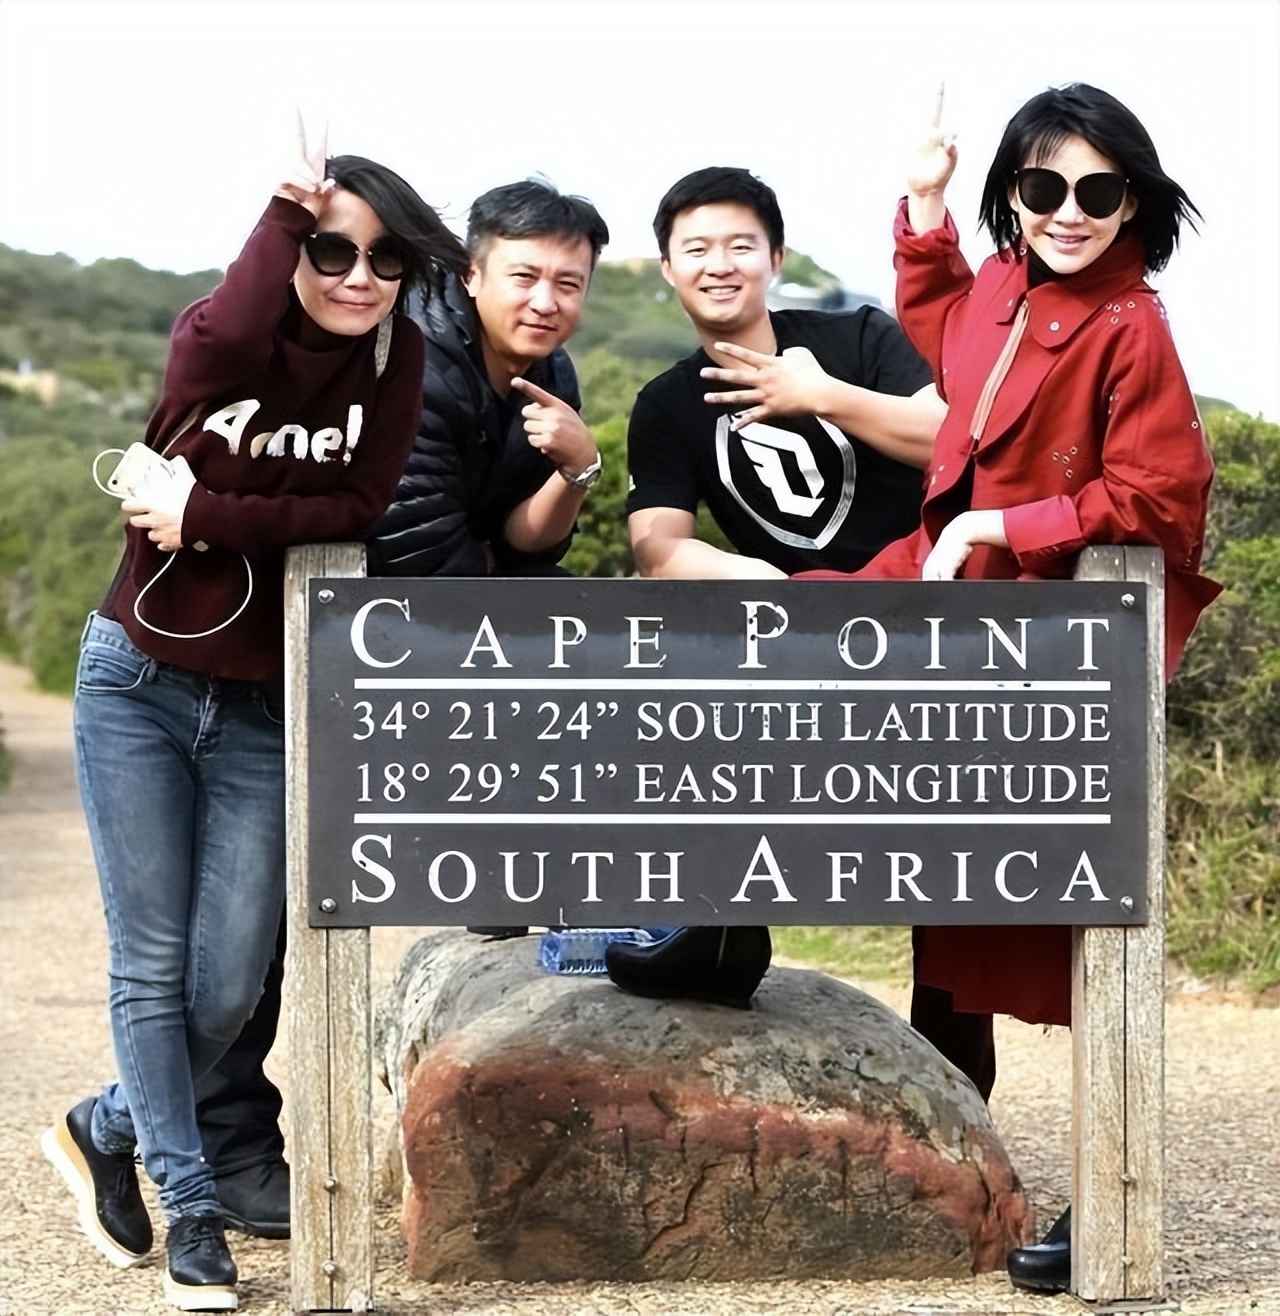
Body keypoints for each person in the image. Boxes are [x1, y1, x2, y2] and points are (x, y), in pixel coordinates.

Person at [795, 83, 1219, 1293]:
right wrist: (923, 209)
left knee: (1063, 913)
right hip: (945, 604)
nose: (1067, 211)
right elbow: (946, 325)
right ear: (1013, 195)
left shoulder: (1132, 325)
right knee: (782, 658)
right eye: (1042, 187)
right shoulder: (999, 280)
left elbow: (1158, 494)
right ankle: (697, 932)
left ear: (1131, 201)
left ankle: (1108, 1190)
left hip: (1042, 645)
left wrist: (999, 520)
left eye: (1096, 190)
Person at [41, 125, 466, 1311]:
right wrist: (283, 214)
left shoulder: (394, 363)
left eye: (385, 259)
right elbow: (222, 338)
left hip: (264, 704)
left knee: (228, 983)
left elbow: (356, 508)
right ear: (292, 251)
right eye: (332, 250)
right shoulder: (222, 342)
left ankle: (106, 1122)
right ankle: (190, 1208)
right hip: (138, 679)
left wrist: (210, 513)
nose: (358, 276)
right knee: (152, 961)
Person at [606, 165, 945, 1005]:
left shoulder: (856, 337)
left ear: (776, 257)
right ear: (668, 269)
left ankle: (949, 1048)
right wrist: (757, 576)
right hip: (800, 637)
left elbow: (949, 437)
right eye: (697, 249)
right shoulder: (667, 404)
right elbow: (658, 547)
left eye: (740, 245)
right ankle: (716, 933)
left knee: (950, 914)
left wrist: (821, 395)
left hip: (929, 620)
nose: (719, 264)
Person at [366, 177, 611, 579]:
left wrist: (579, 470)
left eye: (568, 284)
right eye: (524, 278)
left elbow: (529, 547)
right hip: (371, 588)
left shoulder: (554, 374)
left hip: (471, 579)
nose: (545, 303)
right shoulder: (415, 360)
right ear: (471, 274)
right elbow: (416, 549)